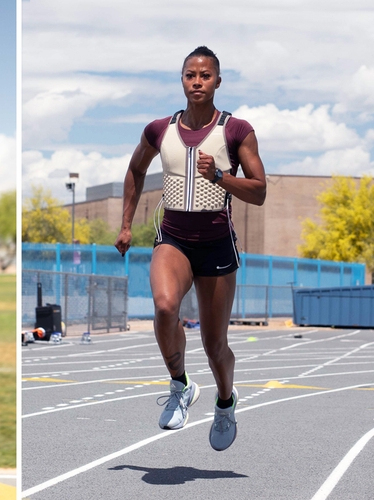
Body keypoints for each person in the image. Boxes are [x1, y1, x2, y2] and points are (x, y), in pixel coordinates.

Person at [115, 46, 266, 452]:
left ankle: (225, 401)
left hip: (216, 244)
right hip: (174, 238)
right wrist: (126, 224)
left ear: (218, 81)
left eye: (205, 75)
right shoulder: (158, 130)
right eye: (190, 75)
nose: (197, 82)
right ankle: (180, 385)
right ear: (181, 80)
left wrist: (219, 176)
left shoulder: (236, 130)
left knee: (215, 346)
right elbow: (135, 169)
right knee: (165, 307)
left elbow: (259, 191)